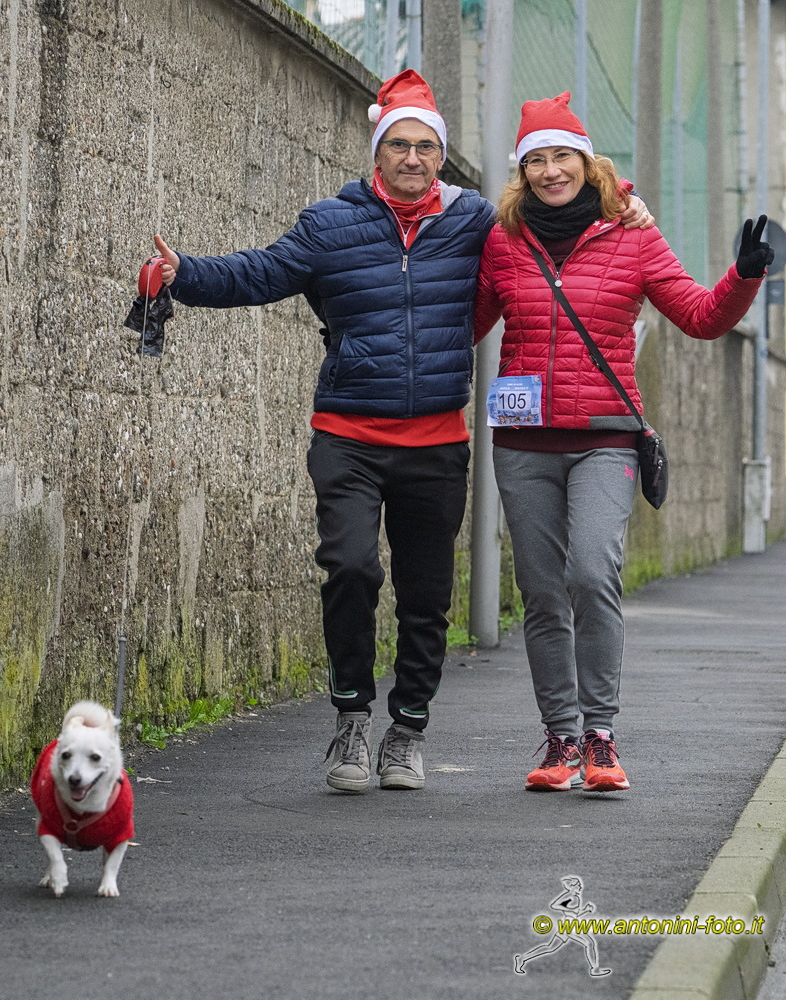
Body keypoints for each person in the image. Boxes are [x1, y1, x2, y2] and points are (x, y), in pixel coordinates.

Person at [149, 71, 651, 794]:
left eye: (425, 147)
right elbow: (261, 273)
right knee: (351, 569)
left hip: (436, 442)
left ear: (440, 157)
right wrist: (184, 274)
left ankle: (407, 731)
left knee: (425, 598)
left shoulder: (474, 221)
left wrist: (625, 202)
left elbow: (558, 208)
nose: (412, 158)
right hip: (347, 433)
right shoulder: (329, 224)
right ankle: (352, 720)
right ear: (377, 152)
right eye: (399, 145)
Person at [474, 93, 770, 793]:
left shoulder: (632, 234)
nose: (551, 171)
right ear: (522, 172)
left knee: (590, 572)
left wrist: (744, 275)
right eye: (537, 160)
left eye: (562, 157)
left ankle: (600, 735)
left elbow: (699, 317)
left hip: (604, 437)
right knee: (541, 592)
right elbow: (461, 324)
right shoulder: (501, 239)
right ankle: (560, 739)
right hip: (521, 441)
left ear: (587, 162)